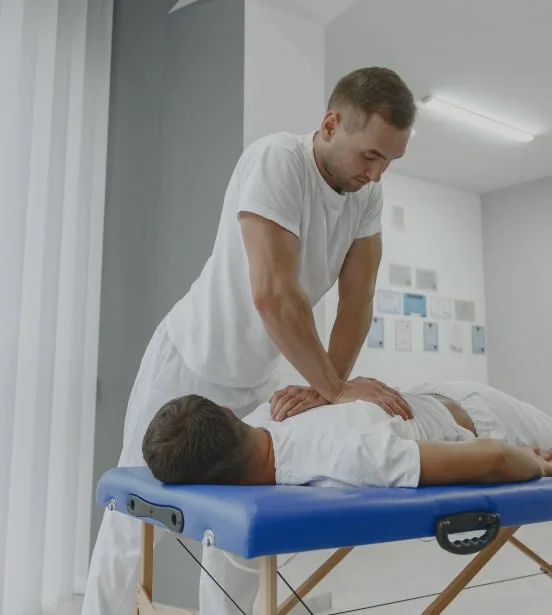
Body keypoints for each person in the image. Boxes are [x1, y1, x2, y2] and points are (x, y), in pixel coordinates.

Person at [83, 66, 418, 615]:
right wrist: (334, 388)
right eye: (370, 156)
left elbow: (357, 301)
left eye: (389, 162)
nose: (376, 174)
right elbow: (274, 295)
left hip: (258, 380)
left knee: (239, 536)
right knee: (133, 518)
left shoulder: (366, 199)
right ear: (331, 124)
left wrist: (323, 388)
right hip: (189, 363)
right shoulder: (277, 161)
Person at [142, 380, 552, 615]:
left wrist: (539, 467)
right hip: (420, 403)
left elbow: (496, 457)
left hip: (483, 417)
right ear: (231, 413)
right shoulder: (256, 420)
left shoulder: (349, 455)